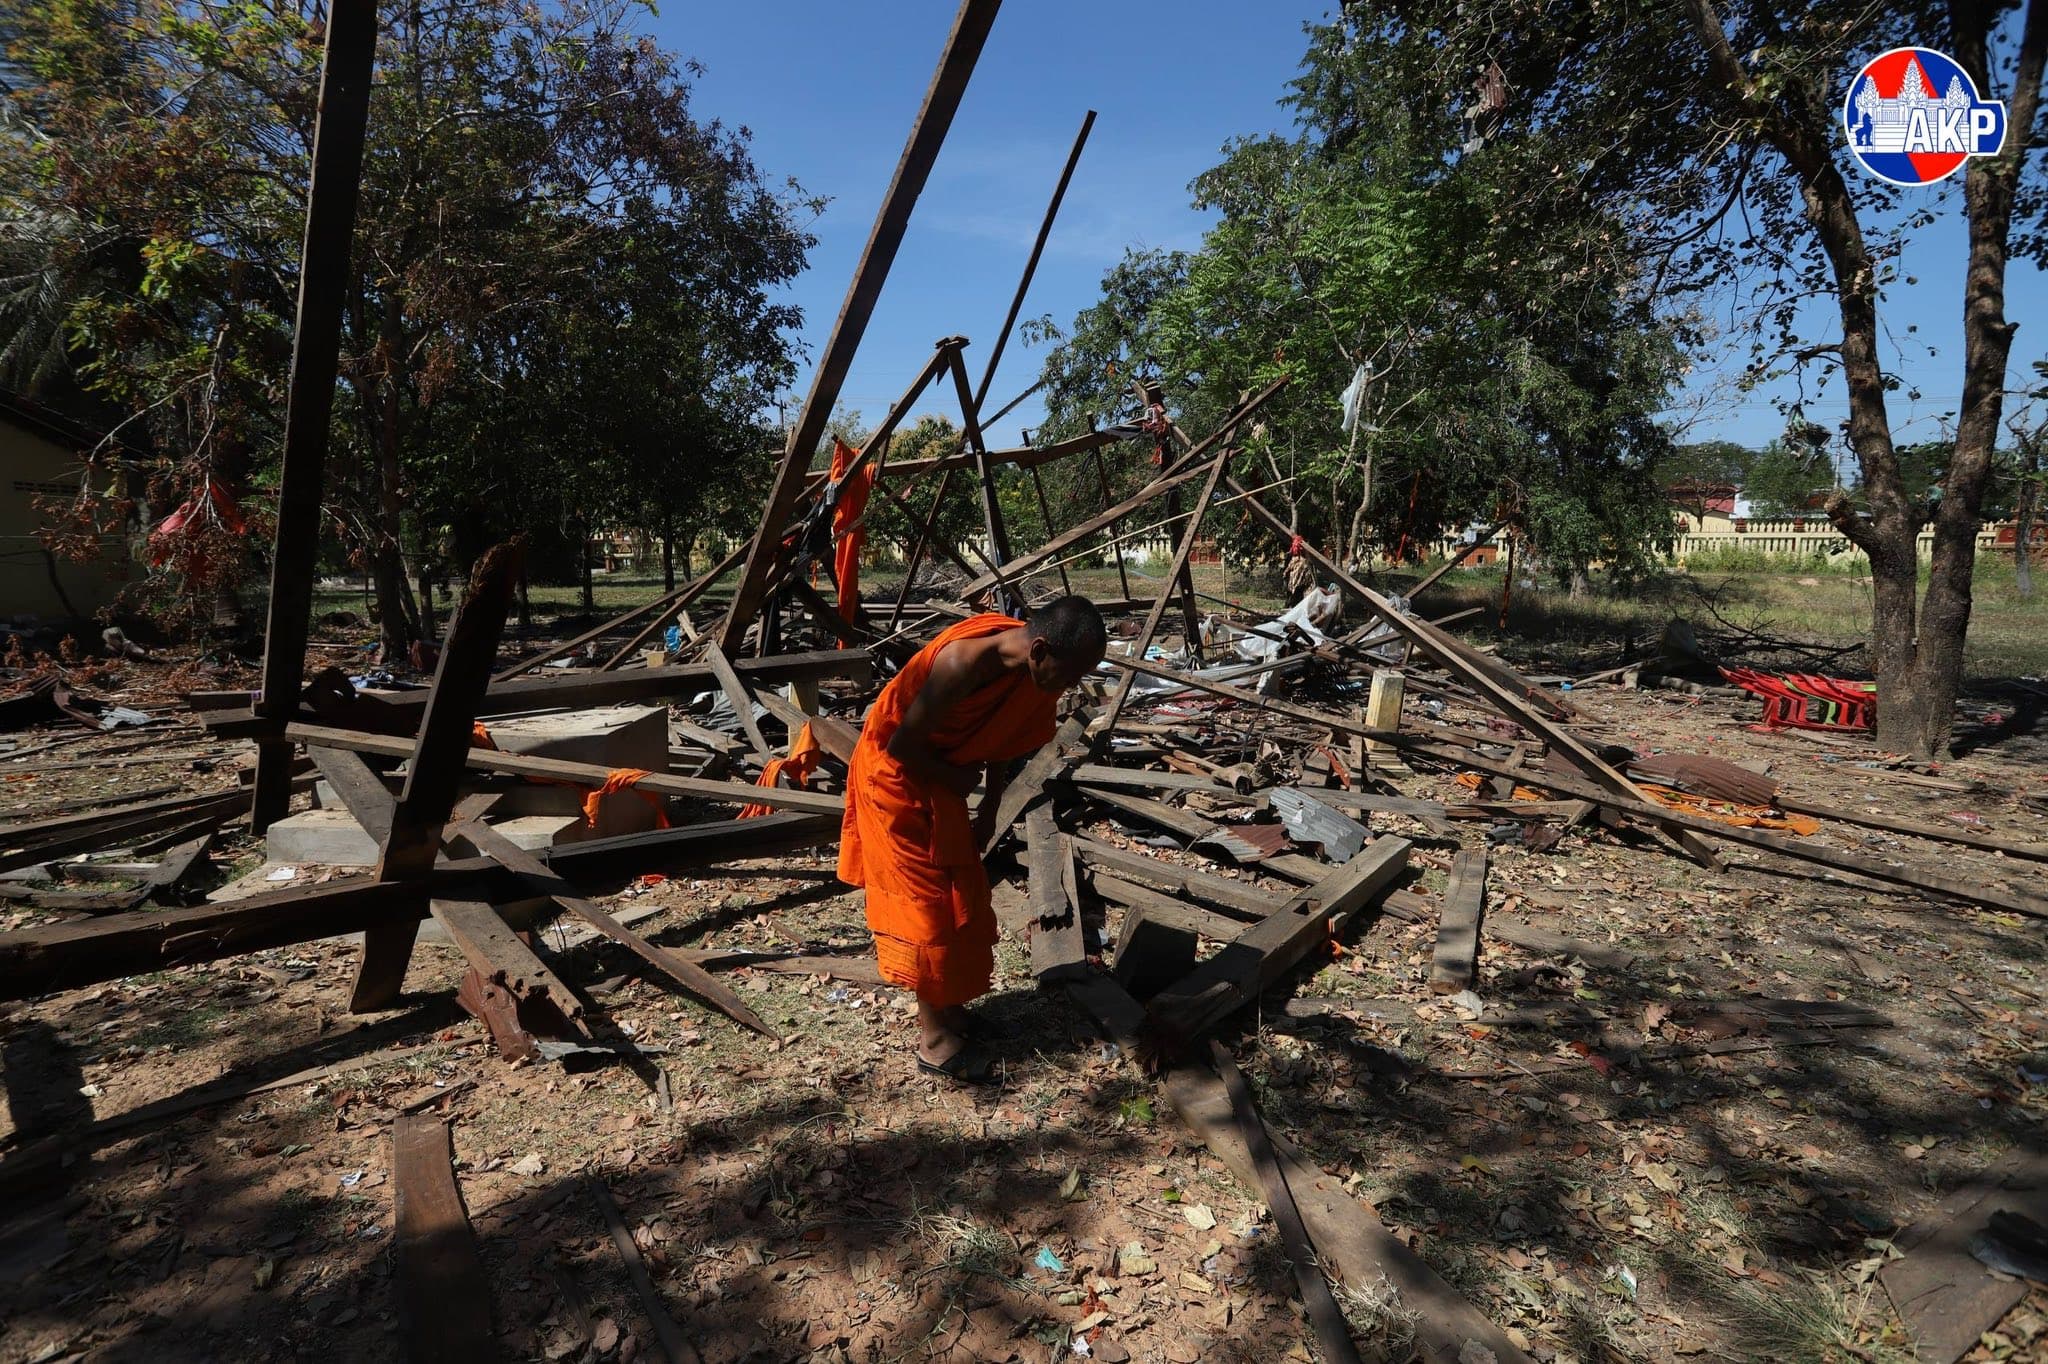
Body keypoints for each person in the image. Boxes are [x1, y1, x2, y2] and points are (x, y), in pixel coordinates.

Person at [838, 597, 1108, 1085]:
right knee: (929, 908)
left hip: (939, 779)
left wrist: (990, 804)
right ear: (1040, 650)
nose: (1069, 690)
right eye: (1069, 677)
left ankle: (951, 1012)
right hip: (896, 781)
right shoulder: (962, 663)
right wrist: (959, 781)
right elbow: (901, 745)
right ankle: (935, 1041)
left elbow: (1005, 734)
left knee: (963, 891)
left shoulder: (1031, 669)